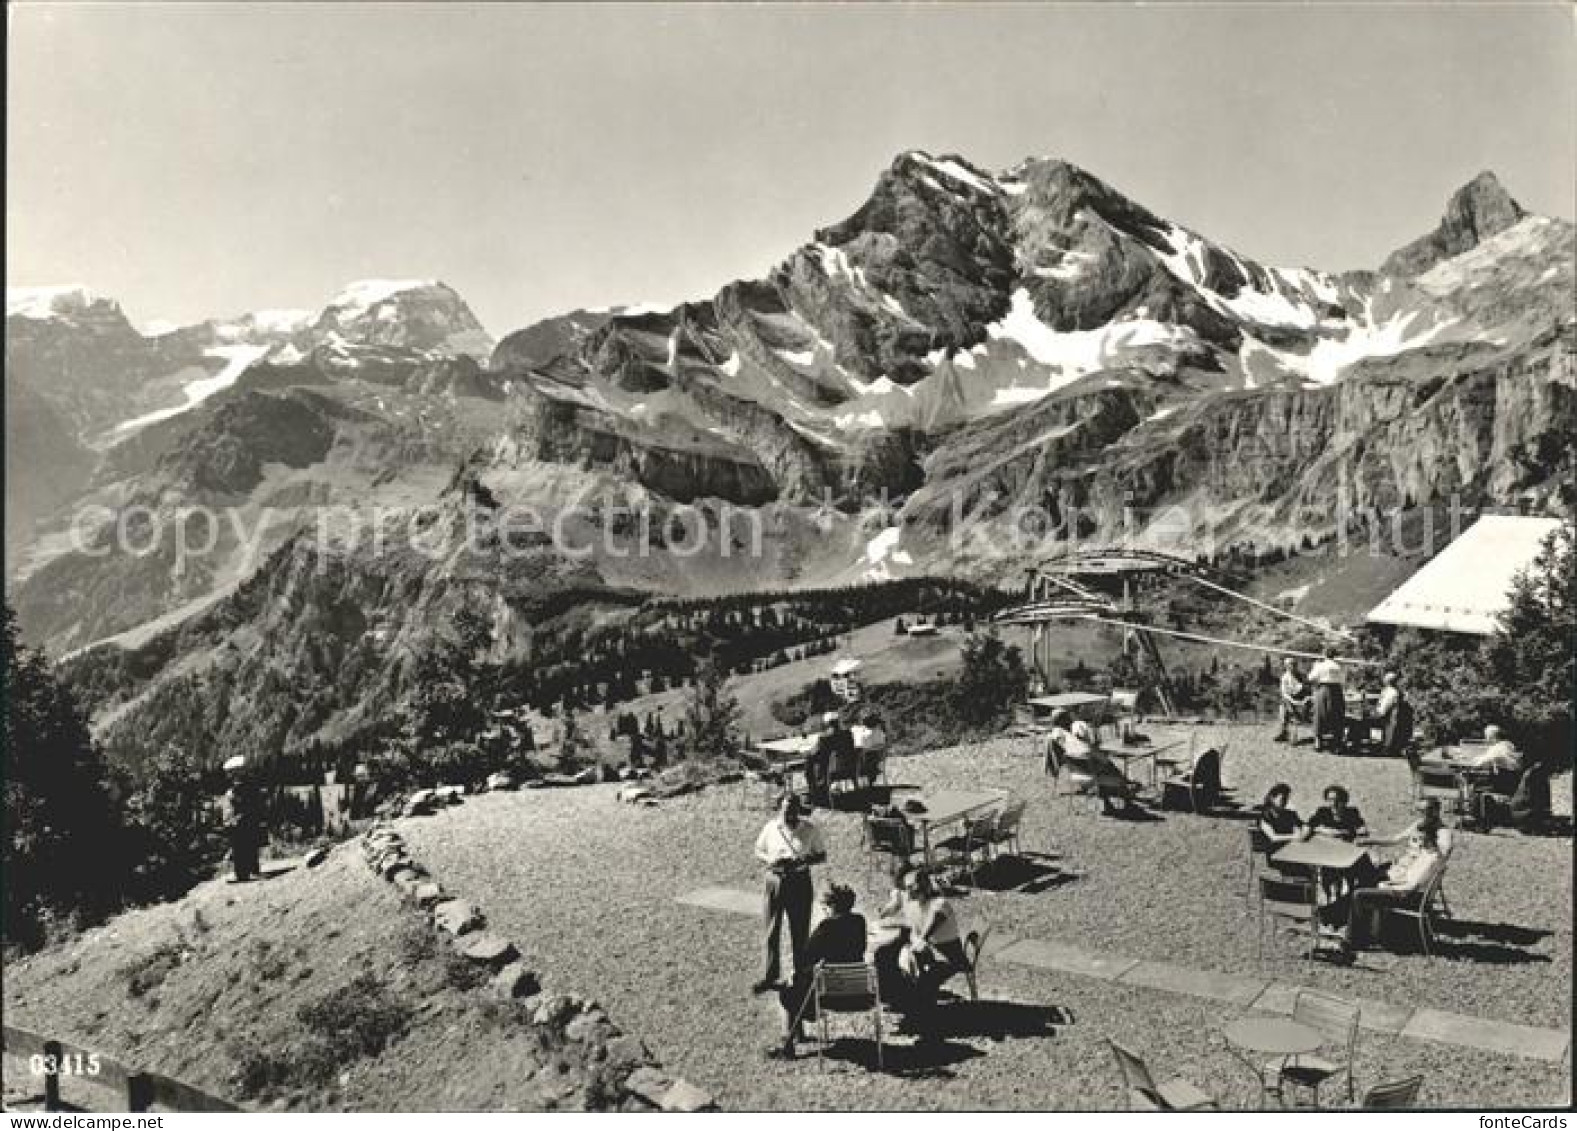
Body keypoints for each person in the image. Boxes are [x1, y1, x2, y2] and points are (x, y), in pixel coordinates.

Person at [771, 882, 868, 1059]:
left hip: (829, 995)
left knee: (790, 988)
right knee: (801, 982)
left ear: (831, 906)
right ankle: (798, 1035)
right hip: (858, 992)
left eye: (825, 906)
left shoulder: (826, 927)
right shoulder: (859, 922)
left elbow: (806, 957)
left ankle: (787, 1044)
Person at [1340, 806, 1447, 948]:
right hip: (1406, 890)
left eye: (1421, 838)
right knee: (1366, 884)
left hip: (1410, 897)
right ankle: (1359, 931)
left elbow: (1411, 886)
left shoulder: (1430, 858)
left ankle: (1352, 940)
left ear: (1430, 837)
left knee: (1359, 894)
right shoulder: (1425, 854)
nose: (1418, 842)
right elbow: (1409, 877)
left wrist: (1389, 886)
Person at [752, 793, 827, 994]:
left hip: (799, 881)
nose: (790, 814)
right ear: (780, 809)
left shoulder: (809, 830)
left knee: (800, 929)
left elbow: (821, 855)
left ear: (798, 809)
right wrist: (770, 860)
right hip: (775, 879)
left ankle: (801, 973)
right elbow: (758, 850)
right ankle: (770, 976)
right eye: (786, 810)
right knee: (771, 929)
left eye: (793, 810)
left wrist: (804, 861)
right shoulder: (770, 828)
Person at [1049, 709, 1138, 816]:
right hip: (1091, 774)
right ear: (1063, 721)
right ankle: (1127, 797)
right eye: (1068, 719)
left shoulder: (1058, 737)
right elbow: (1090, 753)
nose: (1070, 721)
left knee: (1104, 766)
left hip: (1076, 773)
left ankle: (1111, 800)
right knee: (1109, 768)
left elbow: (1070, 751)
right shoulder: (1071, 740)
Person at [223, 756, 265, 883]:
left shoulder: (238, 789)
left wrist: (231, 820)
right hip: (248, 820)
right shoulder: (251, 785)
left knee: (240, 848)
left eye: (232, 772)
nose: (230, 775)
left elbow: (238, 805)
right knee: (250, 845)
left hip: (241, 822)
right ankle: (252, 870)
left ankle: (242, 874)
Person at [1307, 649, 1346, 753]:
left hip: (1324, 689)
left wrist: (1314, 666)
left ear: (1324, 655)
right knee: (1337, 716)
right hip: (1337, 691)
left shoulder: (1320, 665)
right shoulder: (1338, 666)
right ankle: (1337, 744)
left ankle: (1318, 742)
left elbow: (1311, 677)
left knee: (1319, 715)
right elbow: (1343, 680)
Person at [1257, 783, 1310, 857]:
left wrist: (1304, 831)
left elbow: (1302, 826)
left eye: (1286, 799)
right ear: (1272, 798)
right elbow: (1273, 837)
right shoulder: (1265, 816)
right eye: (1282, 799)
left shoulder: (1289, 813)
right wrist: (1294, 836)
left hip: (1293, 850)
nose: (1284, 802)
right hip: (1276, 853)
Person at [1373, 671, 1413, 759]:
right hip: (1392, 717)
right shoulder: (1394, 691)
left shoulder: (1391, 692)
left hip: (1389, 718)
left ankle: (1385, 748)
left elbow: (1384, 707)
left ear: (1387, 681)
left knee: (1358, 721)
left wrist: (1376, 713)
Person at [1274, 658, 1311, 743]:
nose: (1292, 666)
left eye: (1294, 664)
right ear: (1286, 666)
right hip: (1289, 699)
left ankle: (1291, 735)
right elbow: (1284, 693)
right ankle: (1283, 732)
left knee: (1291, 710)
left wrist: (1304, 699)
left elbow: (1307, 689)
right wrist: (1294, 701)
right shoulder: (1284, 677)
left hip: (1302, 699)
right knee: (1285, 706)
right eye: (1290, 665)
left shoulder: (1302, 676)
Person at [853, 714, 888, 789]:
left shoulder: (866, 734)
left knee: (862, 755)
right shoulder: (879, 732)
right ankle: (869, 782)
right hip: (874, 759)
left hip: (866, 760)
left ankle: (861, 783)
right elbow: (883, 744)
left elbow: (859, 746)